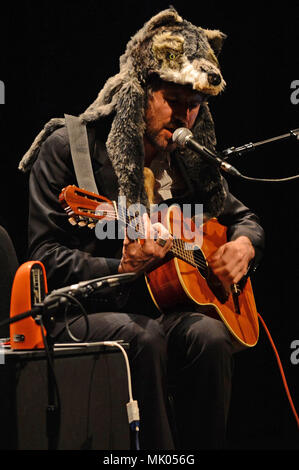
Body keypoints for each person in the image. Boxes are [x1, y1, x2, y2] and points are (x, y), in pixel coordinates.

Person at [19, 8, 265, 450]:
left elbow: (242, 217)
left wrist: (245, 245)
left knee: (208, 335)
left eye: (196, 106)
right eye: (175, 100)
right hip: (81, 313)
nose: (185, 118)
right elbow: (44, 259)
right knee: (142, 337)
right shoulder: (68, 150)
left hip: (157, 310)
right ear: (139, 92)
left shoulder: (186, 161)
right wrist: (120, 265)